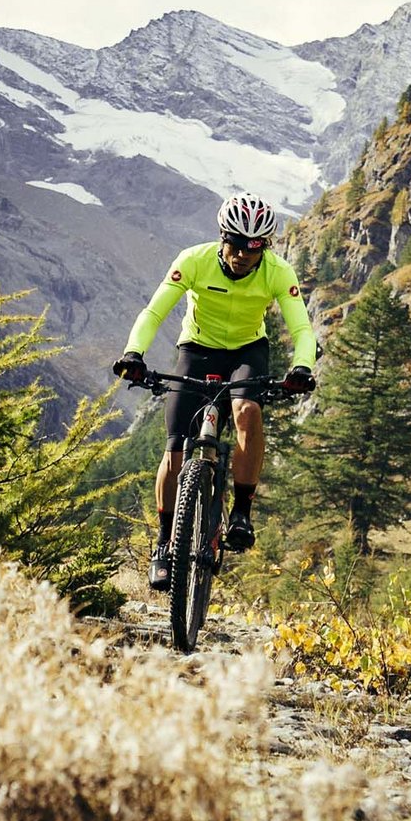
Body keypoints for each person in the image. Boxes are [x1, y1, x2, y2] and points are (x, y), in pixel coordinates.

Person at [112, 193, 318, 591]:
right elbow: (154, 312)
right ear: (222, 237)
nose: (243, 254)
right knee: (174, 450)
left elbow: (302, 330)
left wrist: (302, 367)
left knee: (247, 412)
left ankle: (241, 512)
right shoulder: (193, 260)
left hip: (247, 351)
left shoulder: (277, 272)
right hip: (197, 350)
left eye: (254, 248)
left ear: (266, 247)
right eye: (236, 244)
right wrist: (133, 353)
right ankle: (163, 546)